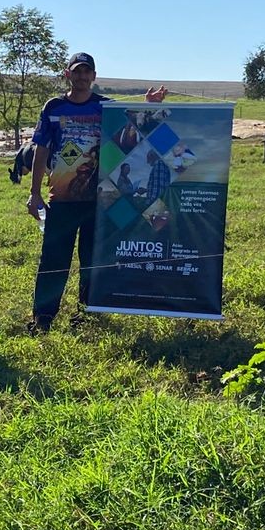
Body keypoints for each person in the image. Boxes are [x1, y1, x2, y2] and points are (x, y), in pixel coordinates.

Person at [25, 52, 166, 332]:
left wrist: (148, 106)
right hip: (62, 199)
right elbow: (40, 148)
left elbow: (132, 131)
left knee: (93, 259)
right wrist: (34, 192)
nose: (82, 76)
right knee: (54, 260)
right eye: (76, 71)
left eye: (87, 72)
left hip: (100, 199)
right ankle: (43, 318)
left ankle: (85, 315)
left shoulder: (107, 108)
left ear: (94, 76)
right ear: (67, 74)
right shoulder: (53, 107)